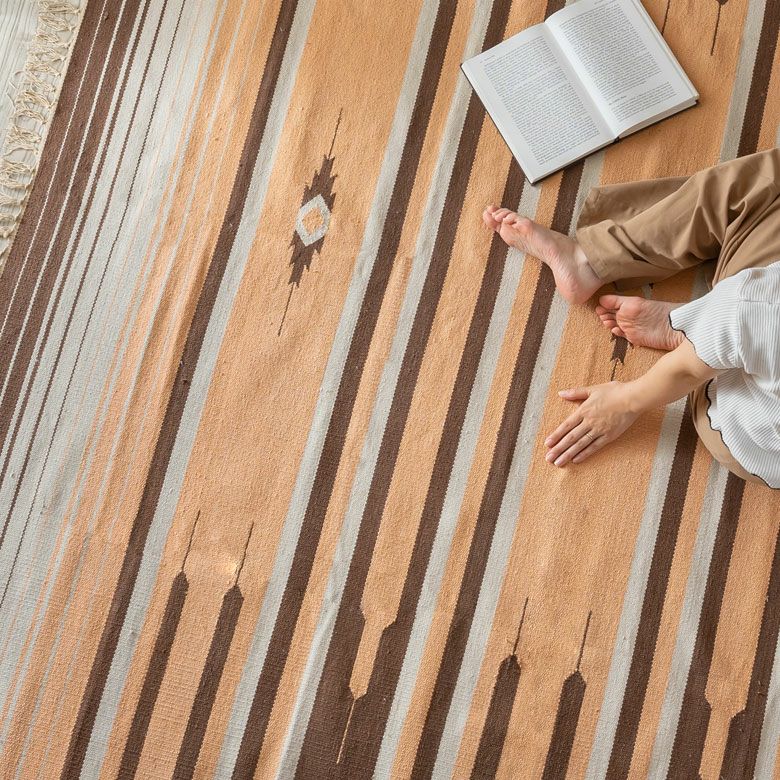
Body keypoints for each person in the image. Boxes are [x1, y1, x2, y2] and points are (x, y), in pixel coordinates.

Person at [483, 147, 780, 489]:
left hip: (739, 429)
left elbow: (687, 371)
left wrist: (625, 402)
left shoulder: (761, 305)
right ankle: (705, 330)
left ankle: (591, 264)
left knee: (764, 183)